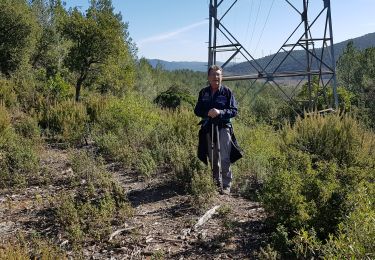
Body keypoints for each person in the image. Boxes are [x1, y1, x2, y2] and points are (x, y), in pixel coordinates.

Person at [194, 65, 242, 195]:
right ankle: (216, 184)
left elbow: (234, 111)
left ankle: (226, 185)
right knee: (213, 157)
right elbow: (197, 110)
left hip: (223, 127)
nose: (216, 77)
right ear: (208, 77)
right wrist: (207, 112)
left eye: (218, 75)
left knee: (224, 157)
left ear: (222, 77)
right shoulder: (203, 93)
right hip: (208, 128)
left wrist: (220, 112)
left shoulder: (227, 92)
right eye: (213, 75)